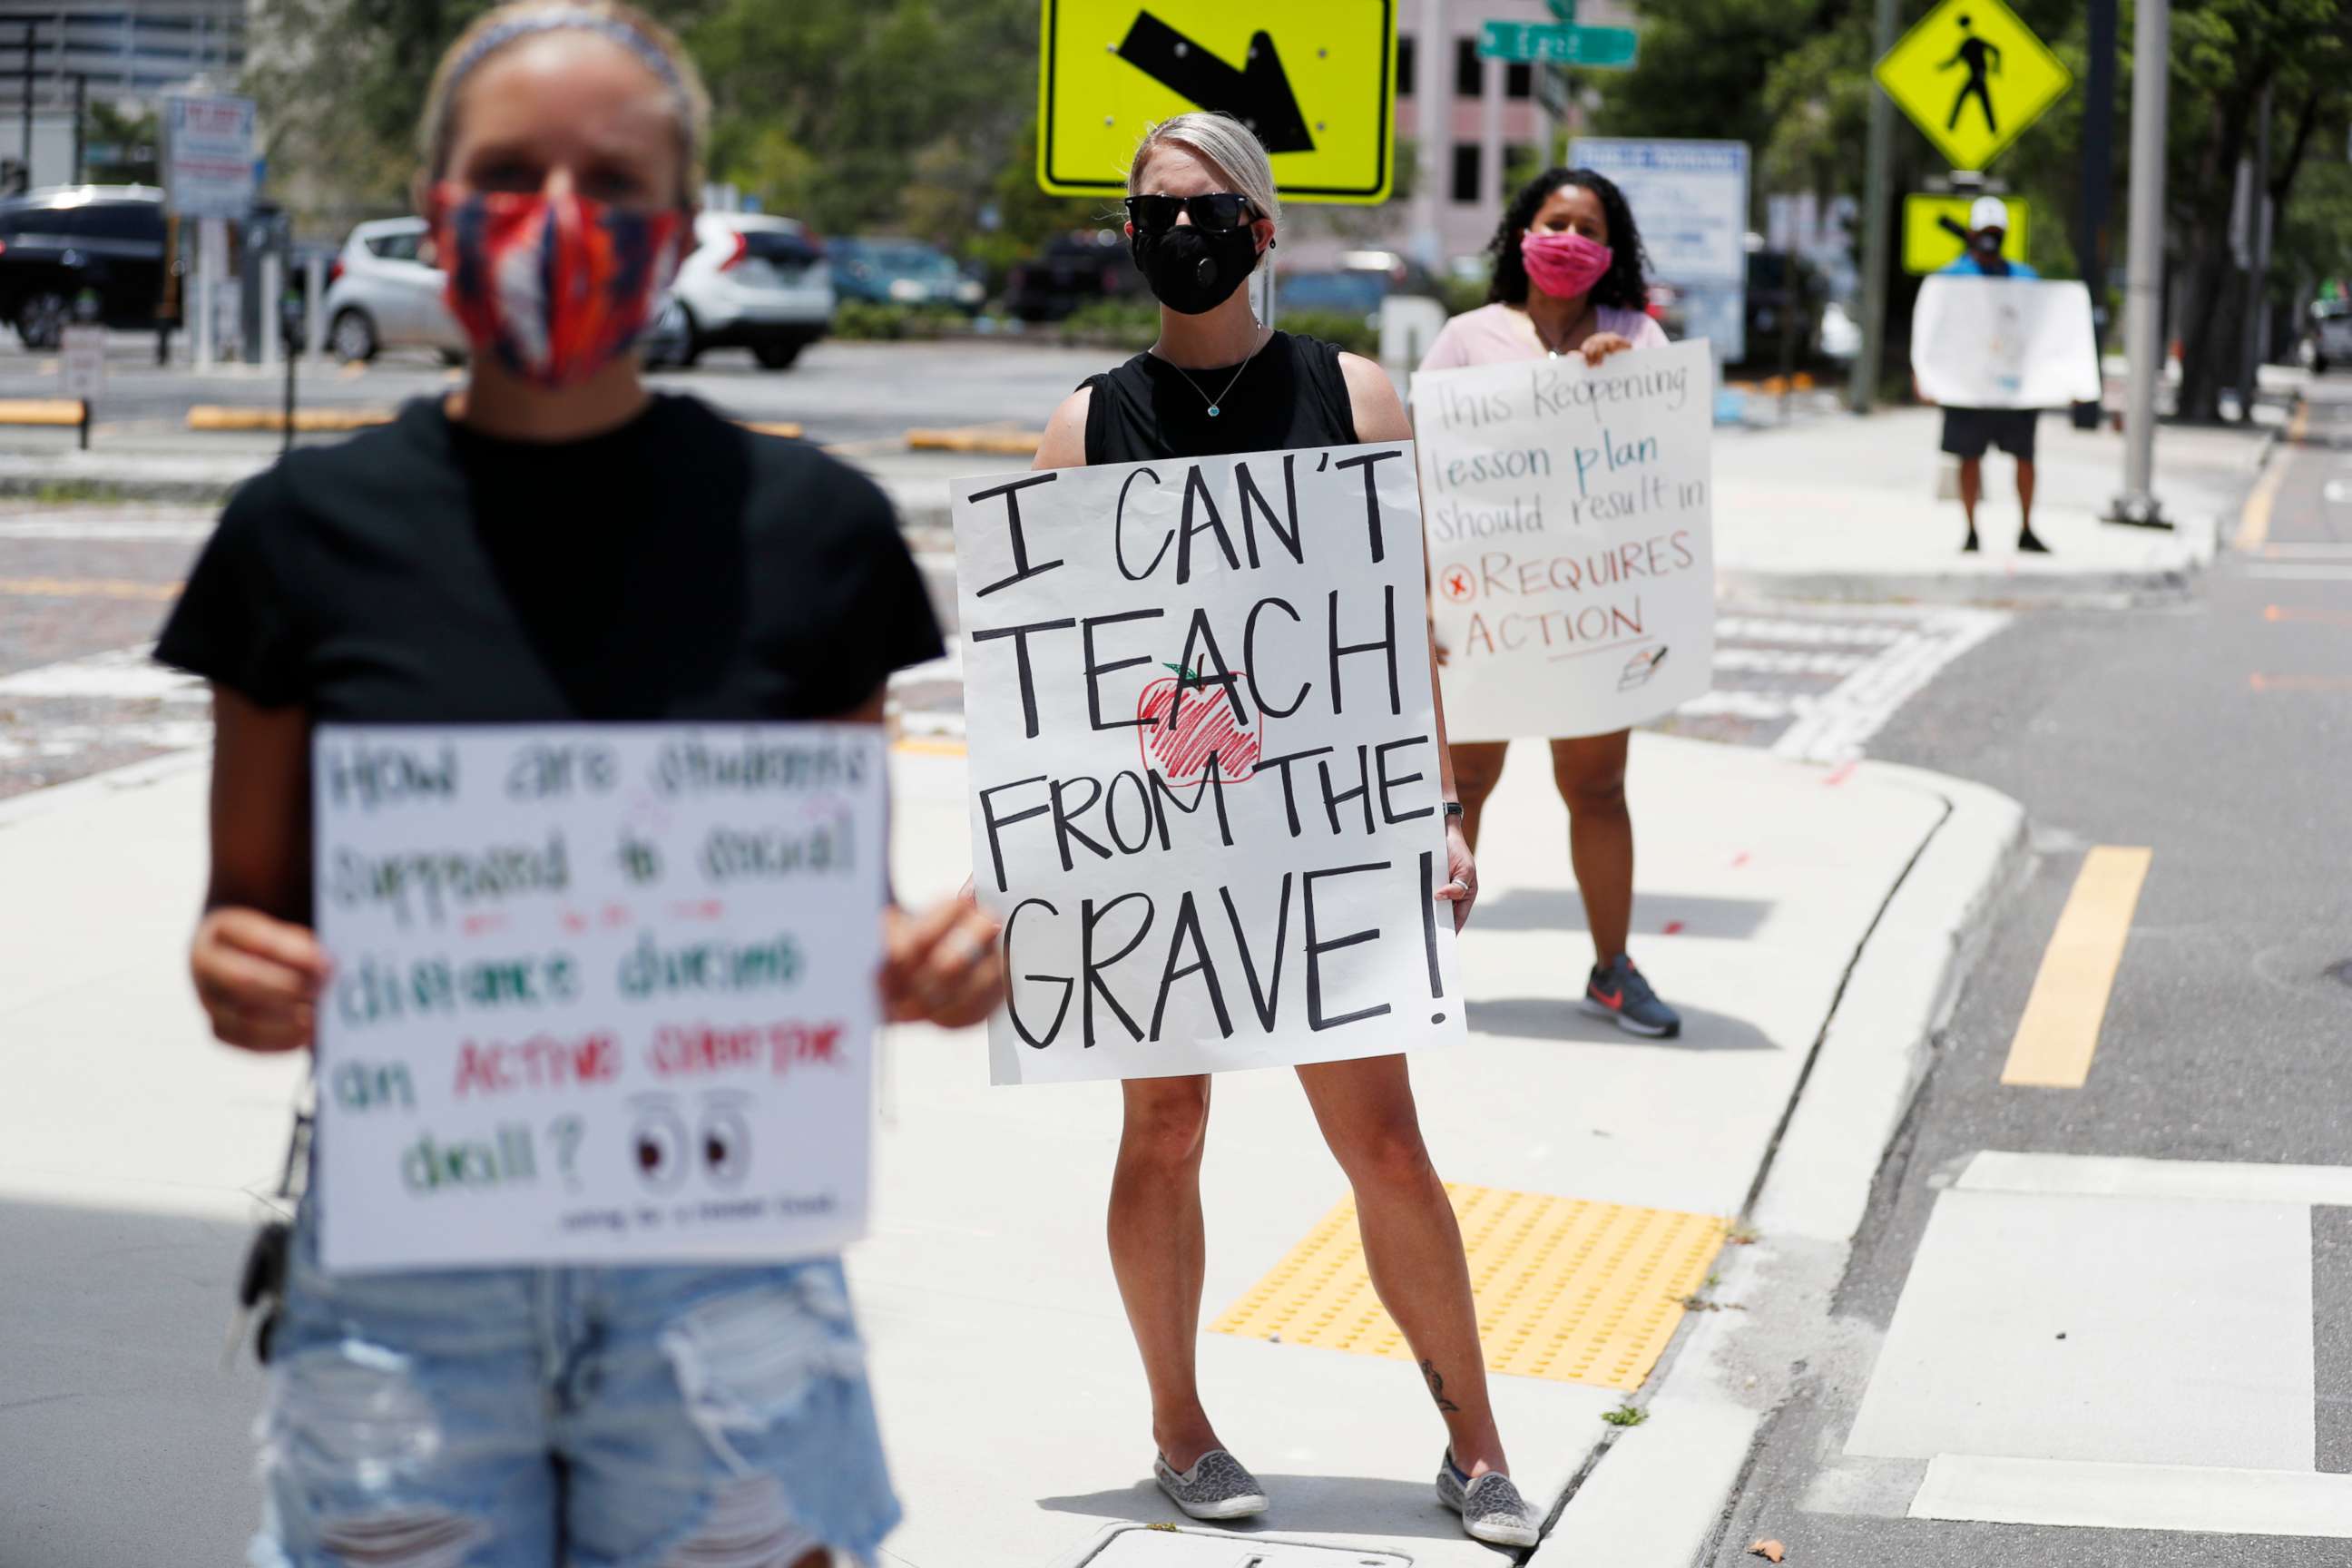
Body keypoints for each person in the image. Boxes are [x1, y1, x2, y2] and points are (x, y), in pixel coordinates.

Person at [154, 5, 1004, 1563]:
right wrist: (237, 972)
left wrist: (914, 966)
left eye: (611, 184)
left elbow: (835, 917)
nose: (558, 216)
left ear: (681, 232)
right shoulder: (299, 538)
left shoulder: (813, 531)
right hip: (407, 1288)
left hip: (722, 1279)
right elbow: (238, 923)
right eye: (508, 171)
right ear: (433, 211)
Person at [1029, 111, 1540, 1551]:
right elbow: (1056, 669)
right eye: (1150, 212)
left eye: (1202, 208)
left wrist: (1439, 811)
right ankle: (1179, 1433)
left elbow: (1403, 637)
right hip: (1162, 834)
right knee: (1166, 1125)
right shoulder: (1088, 424)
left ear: (1260, 228)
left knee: (1382, 1142)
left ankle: (1478, 1445)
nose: (1174, 233)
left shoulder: (1356, 395)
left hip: (1320, 835)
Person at [1416, 166, 1683, 1041]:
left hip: (1592, 608)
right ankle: (1425, 966)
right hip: (1486, 606)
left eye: (1588, 228)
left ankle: (1613, 969)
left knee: (1599, 787)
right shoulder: (1466, 339)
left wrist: (1618, 383)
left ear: (1611, 252)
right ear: (1522, 234)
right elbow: (1418, 472)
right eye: (1555, 220)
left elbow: (1667, 464)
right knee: (1468, 787)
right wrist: (1420, 593)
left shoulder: (1638, 337)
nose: (1569, 239)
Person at [1935, 195, 2049, 555]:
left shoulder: (2025, 278)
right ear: (1971, 233)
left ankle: (2026, 528)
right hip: (1969, 387)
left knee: (2025, 458)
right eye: (1984, 231)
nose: (1990, 238)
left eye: (1996, 232)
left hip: (2013, 388)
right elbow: (1935, 332)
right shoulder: (1951, 278)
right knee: (1969, 457)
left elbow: (2045, 330)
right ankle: (1970, 531)